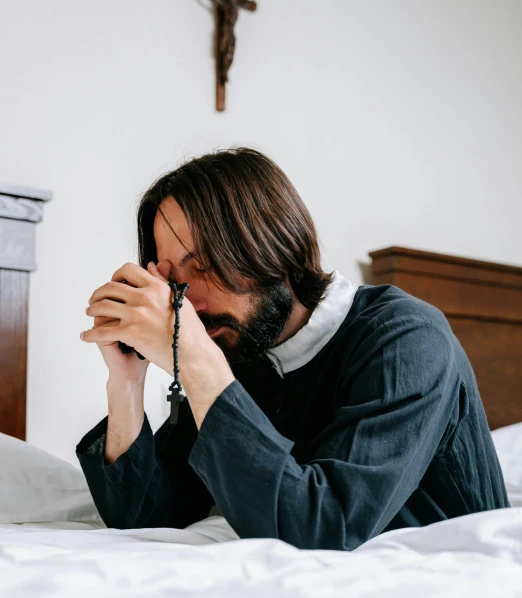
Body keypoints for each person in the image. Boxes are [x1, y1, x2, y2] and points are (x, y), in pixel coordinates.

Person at [76, 147, 509, 550]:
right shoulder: (244, 351)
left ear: (273, 245)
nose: (186, 300)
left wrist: (194, 358)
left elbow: (322, 527)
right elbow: (149, 516)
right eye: (173, 280)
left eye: (203, 264)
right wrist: (126, 381)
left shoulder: (405, 338)